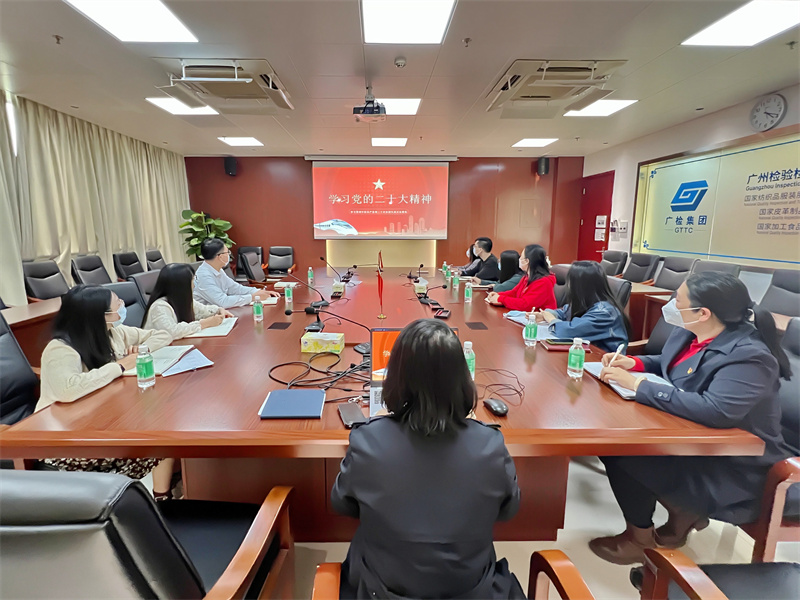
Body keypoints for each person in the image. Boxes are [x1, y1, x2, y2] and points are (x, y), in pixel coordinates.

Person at [588, 272, 792, 565]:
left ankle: (640, 539)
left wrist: (639, 385)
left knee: (621, 451)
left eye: (678, 300)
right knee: (618, 444)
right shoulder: (691, 331)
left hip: (736, 464)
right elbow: (671, 363)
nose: (671, 304)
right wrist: (634, 363)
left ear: (704, 313)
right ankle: (682, 510)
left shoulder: (749, 356)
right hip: (695, 438)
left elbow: (716, 410)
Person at [331, 319, 524, 599]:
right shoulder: (490, 445)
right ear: (463, 377)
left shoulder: (368, 441)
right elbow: (508, 510)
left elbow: (341, 504)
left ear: (394, 376)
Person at [38, 285, 176, 500]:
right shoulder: (60, 349)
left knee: (165, 436)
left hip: (101, 420)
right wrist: (119, 366)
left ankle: (161, 498)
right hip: (67, 440)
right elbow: (68, 390)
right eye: (117, 304)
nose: (122, 306)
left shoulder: (112, 332)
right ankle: (133, 501)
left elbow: (163, 335)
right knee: (161, 442)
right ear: (97, 316)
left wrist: (142, 349)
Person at [533, 260, 630, 352]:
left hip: (603, 360)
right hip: (586, 353)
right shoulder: (587, 302)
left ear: (580, 286)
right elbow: (564, 312)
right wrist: (545, 314)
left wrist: (551, 319)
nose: (568, 286)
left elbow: (568, 331)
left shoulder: (605, 312)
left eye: (570, 282)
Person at [143, 263, 234, 339]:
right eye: (193, 280)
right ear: (182, 284)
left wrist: (219, 310)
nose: (194, 283)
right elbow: (171, 332)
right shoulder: (160, 306)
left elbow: (202, 310)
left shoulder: (180, 298)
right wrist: (204, 324)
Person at [193, 238, 279, 308]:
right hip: (208, 319)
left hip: (222, 313)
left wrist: (258, 292)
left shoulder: (217, 269)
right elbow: (223, 302)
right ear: (220, 256)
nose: (229, 255)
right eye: (227, 252)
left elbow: (235, 288)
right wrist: (252, 297)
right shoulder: (204, 276)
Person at [486, 245, 557, 311]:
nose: (519, 259)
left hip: (539, 320)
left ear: (527, 261)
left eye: (521, 257)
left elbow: (526, 305)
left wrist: (501, 299)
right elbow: (514, 293)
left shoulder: (544, 281)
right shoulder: (526, 277)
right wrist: (498, 294)